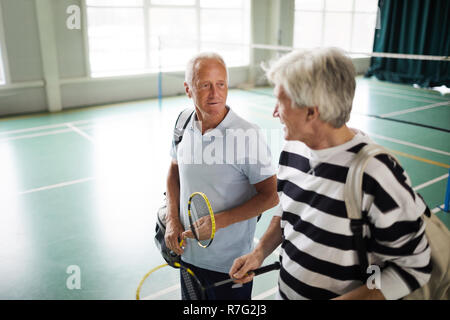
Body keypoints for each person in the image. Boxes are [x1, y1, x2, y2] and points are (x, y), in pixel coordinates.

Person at [229, 47, 432, 300]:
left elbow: (414, 266)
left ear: (312, 111)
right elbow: (288, 213)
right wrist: (259, 252)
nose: (274, 112)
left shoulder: (375, 174)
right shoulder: (293, 149)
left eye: (280, 101)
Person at [164, 52, 279, 300]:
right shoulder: (183, 122)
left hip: (231, 266)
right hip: (188, 256)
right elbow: (174, 171)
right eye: (205, 85)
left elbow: (271, 196)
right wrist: (173, 220)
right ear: (188, 89)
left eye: (221, 84)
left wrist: (218, 222)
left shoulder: (247, 135)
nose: (215, 94)